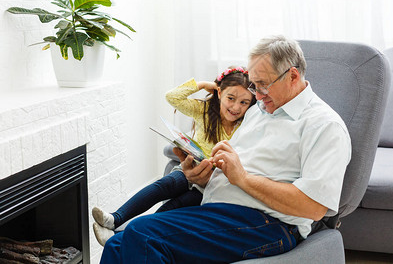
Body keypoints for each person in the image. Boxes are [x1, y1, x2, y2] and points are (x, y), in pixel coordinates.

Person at [99, 35, 352, 263]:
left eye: (262, 85)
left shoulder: (323, 125)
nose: (257, 95)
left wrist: (242, 179)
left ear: (293, 76)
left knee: (142, 232)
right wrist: (206, 175)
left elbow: (314, 207)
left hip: (267, 224)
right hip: (218, 212)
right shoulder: (259, 113)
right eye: (254, 86)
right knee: (116, 244)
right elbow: (232, 169)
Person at [92, 66, 256, 246]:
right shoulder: (204, 110)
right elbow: (172, 97)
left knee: (171, 208)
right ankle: (114, 219)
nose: (235, 107)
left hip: (213, 185)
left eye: (244, 102)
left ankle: (119, 237)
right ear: (219, 93)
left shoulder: (248, 123)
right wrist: (202, 85)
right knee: (165, 184)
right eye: (230, 98)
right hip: (191, 168)